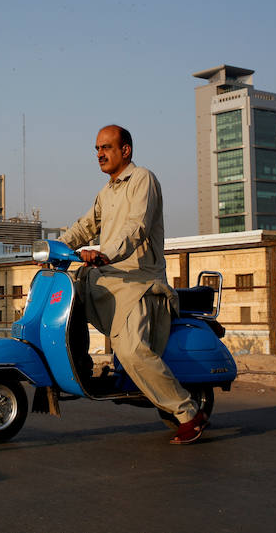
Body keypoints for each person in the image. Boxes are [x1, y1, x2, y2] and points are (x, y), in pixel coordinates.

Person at [58, 124, 209, 444]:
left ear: (125, 150)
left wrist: (106, 253)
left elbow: (136, 227)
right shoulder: (107, 192)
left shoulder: (143, 180)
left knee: (131, 350)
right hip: (110, 277)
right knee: (68, 296)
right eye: (97, 149)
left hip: (140, 283)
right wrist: (54, 247)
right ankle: (79, 367)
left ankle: (189, 413)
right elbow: (85, 226)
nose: (100, 154)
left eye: (106, 147)